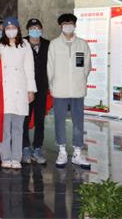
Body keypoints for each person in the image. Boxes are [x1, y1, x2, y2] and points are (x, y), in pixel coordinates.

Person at [47, 13, 92, 170]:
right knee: (59, 120)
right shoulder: (54, 44)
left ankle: (78, 153)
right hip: (59, 89)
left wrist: (80, 80)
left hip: (77, 89)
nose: (68, 26)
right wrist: (52, 86)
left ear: (75, 25)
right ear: (60, 26)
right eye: (65, 24)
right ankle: (62, 151)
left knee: (78, 122)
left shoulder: (82, 44)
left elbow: (87, 66)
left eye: (71, 23)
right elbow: (50, 67)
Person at [0, 17, 37, 170]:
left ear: (18, 28)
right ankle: (5, 157)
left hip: (20, 89)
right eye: (7, 28)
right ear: (4, 30)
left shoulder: (25, 45)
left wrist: (31, 90)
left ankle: (16, 157)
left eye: (13, 27)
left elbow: (29, 68)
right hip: (4, 91)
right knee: (4, 128)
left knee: (18, 128)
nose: (10, 30)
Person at [22, 18, 50, 165]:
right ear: (27, 29)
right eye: (32, 28)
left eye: (37, 28)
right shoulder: (22, 43)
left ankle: (37, 148)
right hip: (26, 88)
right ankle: (25, 147)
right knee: (25, 119)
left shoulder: (47, 44)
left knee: (40, 119)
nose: (35, 30)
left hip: (42, 87)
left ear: (41, 29)